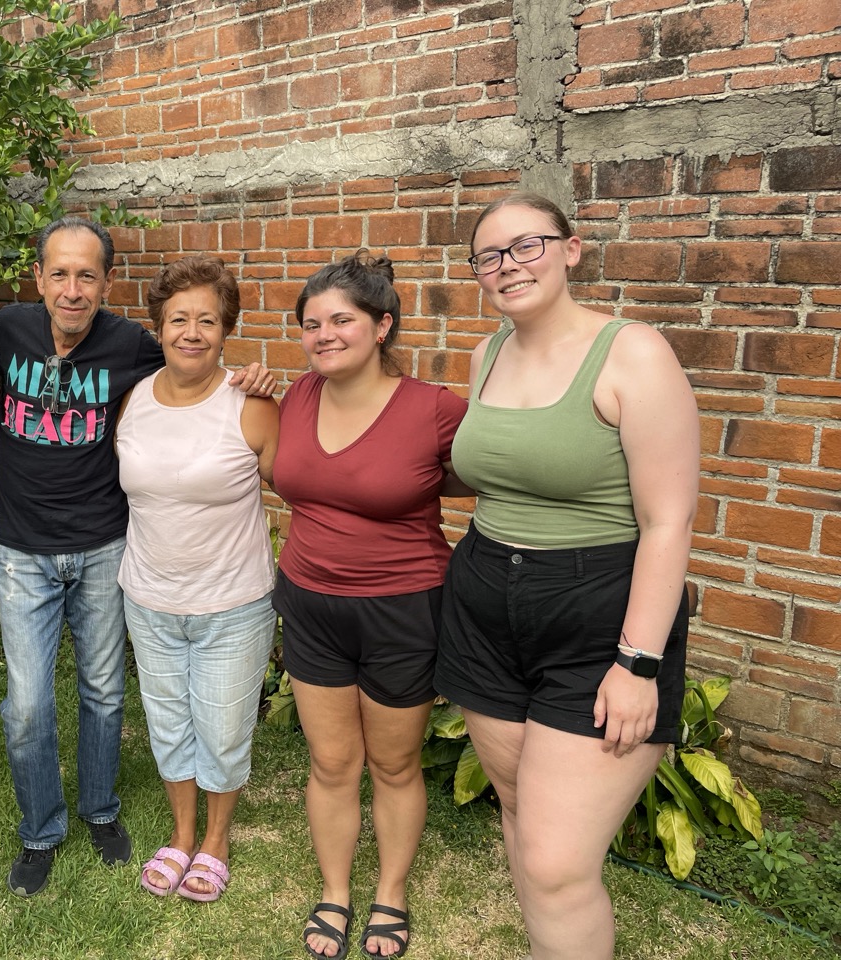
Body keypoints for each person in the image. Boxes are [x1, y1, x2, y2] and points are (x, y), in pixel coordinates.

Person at [0, 216, 274, 898]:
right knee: (28, 702)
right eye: (59, 273)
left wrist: (255, 378)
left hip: (103, 545)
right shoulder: (0, 333)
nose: (72, 289)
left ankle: (99, 810)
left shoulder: (132, 345)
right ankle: (40, 828)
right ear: (37, 278)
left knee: (102, 691)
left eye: (87, 275)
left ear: (106, 283)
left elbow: (195, 374)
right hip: (21, 548)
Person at [434, 192, 699, 960]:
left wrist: (638, 663)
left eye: (526, 246)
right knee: (519, 810)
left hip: (597, 615)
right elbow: (488, 472)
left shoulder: (632, 352)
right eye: (489, 256)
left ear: (571, 249)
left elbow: (668, 522)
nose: (507, 267)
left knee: (555, 863)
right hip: (485, 606)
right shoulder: (489, 354)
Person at [272, 253, 469, 959]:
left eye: (341, 320)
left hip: (402, 609)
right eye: (311, 323)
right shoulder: (293, 396)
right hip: (311, 604)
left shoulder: (435, 408)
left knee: (393, 765)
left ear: (382, 326)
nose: (323, 334)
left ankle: (390, 891)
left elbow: (476, 479)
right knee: (331, 764)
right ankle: (334, 890)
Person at [116, 257, 279, 902]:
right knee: (167, 721)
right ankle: (182, 835)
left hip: (232, 602)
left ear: (225, 329)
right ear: (158, 326)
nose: (192, 332)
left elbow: (302, 479)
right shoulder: (132, 401)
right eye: (178, 318)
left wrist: (281, 391)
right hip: (149, 597)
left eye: (207, 320)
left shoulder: (252, 406)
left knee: (223, 728)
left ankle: (216, 838)